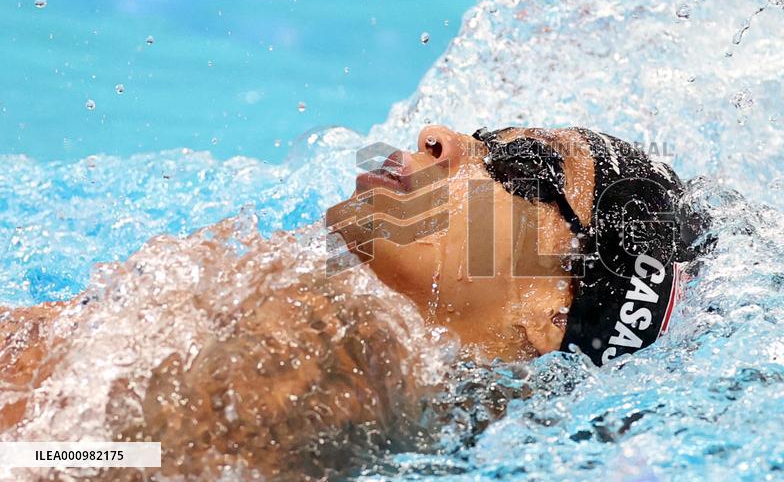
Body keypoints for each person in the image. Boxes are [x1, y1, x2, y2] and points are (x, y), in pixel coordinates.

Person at [0, 125, 710, 478]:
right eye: (492, 136)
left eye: (528, 170)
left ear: (551, 313)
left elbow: (65, 457)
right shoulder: (379, 360)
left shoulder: (341, 352)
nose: (445, 136)